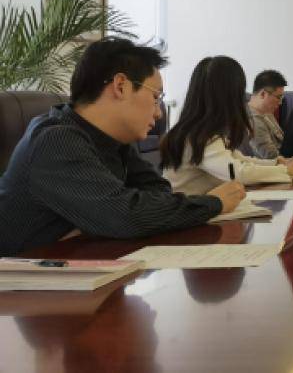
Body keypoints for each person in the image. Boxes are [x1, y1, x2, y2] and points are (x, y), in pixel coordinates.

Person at [0, 38, 245, 256]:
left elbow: (159, 191)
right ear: (121, 86)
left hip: (77, 269)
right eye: (156, 97)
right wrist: (214, 203)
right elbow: (126, 216)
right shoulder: (55, 141)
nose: (158, 112)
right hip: (21, 284)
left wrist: (125, 212)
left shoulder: (113, 141)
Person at [161, 57, 293, 196]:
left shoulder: (201, 131)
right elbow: (236, 172)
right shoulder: (198, 136)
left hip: (202, 209)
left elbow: (238, 159)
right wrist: (286, 170)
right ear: (227, 96)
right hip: (192, 215)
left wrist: (277, 163)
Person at [247, 69, 288, 159]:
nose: (280, 102)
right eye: (278, 97)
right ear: (263, 94)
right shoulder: (253, 120)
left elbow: (283, 142)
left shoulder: (266, 112)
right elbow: (271, 158)